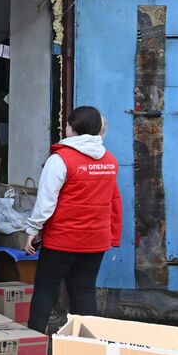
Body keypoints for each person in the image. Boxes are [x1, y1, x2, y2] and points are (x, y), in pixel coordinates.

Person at [22, 106, 122, 333]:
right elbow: (113, 200)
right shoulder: (110, 161)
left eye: (67, 124)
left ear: (71, 128)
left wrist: (33, 229)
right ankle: (87, 348)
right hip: (96, 240)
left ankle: (35, 345)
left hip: (63, 238)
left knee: (45, 289)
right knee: (85, 290)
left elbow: (46, 201)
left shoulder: (60, 159)